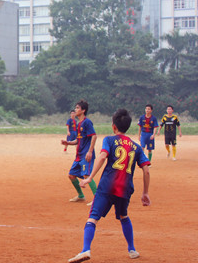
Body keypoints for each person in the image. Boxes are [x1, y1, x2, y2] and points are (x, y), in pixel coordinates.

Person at [67, 108, 151, 263]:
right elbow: (146, 170)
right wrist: (145, 193)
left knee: (93, 218)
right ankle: (132, 250)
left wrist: (89, 177)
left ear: (114, 126)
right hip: (125, 188)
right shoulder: (136, 147)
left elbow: (102, 157)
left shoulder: (109, 140)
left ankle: (85, 250)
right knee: (123, 216)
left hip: (107, 186)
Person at [61, 99, 98, 205]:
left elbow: (94, 136)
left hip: (86, 155)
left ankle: (97, 199)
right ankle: (81, 196)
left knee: (86, 175)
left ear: (83, 110)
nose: (75, 110)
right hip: (79, 155)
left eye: (77, 108)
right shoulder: (78, 124)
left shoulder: (87, 122)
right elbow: (78, 140)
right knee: (71, 175)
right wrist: (68, 143)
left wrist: (90, 151)